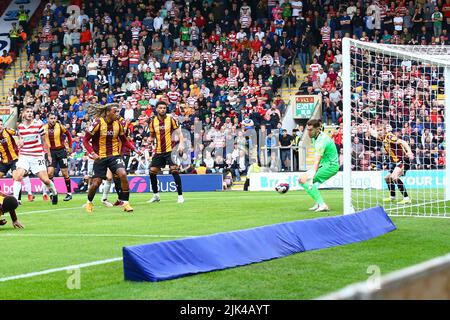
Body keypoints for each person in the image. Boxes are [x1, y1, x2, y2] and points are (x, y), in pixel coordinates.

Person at [82, 103, 140, 213]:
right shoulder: (98, 123)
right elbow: (85, 140)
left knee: (123, 174)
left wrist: (135, 149)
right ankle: (89, 202)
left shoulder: (118, 124)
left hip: (114, 156)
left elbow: (124, 140)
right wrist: (92, 153)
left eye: (118, 111)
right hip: (100, 157)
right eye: (115, 112)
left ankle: (126, 203)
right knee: (96, 183)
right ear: (108, 113)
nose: (118, 114)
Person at [13, 106, 58, 205]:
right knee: (17, 176)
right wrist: (20, 142)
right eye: (28, 112)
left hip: (37, 155)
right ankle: (15, 201)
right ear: (23, 114)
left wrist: (48, 155)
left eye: (31, 112)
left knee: (45, 180)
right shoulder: (20, 126)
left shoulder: (38, 125)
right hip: (24, 155)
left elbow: (44, 141)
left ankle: (54, 192)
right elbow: (20, 139)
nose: (30, 113)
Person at [147, 101, 185, 203]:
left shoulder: (171, 119)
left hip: (170, 150)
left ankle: (180, 196)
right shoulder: (152, 122)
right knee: (152, 171)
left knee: (174, 170)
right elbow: (151, 136)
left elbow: (179, 133)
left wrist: (181, 144)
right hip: (159, 151)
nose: (162, 109)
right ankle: (156, 195)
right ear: (156, 109)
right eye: (160, 108)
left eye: (164, 108)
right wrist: (149, 140)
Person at [298, 119, 339, 212]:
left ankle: (322, 204)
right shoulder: (314, 137)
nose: (308, 132)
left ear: (317, 129)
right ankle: (318, 203)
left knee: (304, 180)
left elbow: (317, 159)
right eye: (307, 130)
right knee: (302, 180)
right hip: (325, 164)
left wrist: (313, 171)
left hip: (330, 166)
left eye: (310, 130)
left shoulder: (322, 140)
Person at [369, 124, 414, 204]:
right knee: (387, 178)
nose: (379, 132)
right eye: (378, 130)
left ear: (385, 130)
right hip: (395, 162)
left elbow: (403, 142)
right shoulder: (382, 137)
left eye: (380, 130)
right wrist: (367, 126)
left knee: (394, 177)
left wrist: (409, 152)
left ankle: (406, 198)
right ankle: (392, 197)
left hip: (403, 160)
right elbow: (374, 134)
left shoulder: (389, 136)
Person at [0, 119, 34, 204]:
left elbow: (20, 133)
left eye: (1, 124)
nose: (0, 126)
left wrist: (20, 140)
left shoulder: (7, 130)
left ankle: (17, 200)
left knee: (16, 177)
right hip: (4, 161)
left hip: (15, 158)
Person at [42, 113, 73, 201]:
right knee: (50, 173)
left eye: (54, 118)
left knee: (65, 173)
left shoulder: (60, 126)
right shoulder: (44, 128)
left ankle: (69, 193)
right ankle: (52, 192)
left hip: (61, 151)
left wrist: (70, 147)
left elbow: (69, 135)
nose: (53, 120)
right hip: (50, 152)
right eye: (51, 118)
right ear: (48, 119)